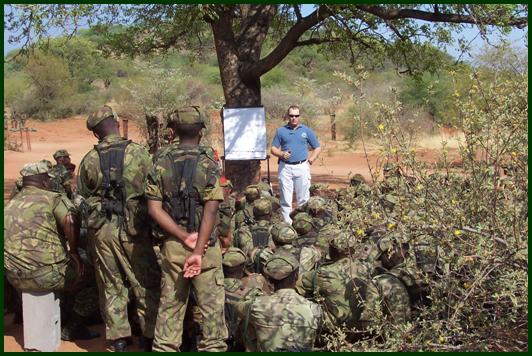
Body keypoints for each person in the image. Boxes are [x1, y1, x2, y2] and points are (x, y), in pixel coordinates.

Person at [77, 105, 161, 352]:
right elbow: (154, 189)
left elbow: (81, 196)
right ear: (115, 122)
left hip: (102, 230)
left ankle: (119, 339)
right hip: (135, 227)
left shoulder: (89, 160)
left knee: (110, 282)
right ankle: (149, 335)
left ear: (95, 133)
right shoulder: (139, 153)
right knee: (145, 281)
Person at [145, 106, 228, 352]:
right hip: (205, 248)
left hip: (173, 245)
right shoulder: (209, 161)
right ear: (201, 131)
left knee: (170, 308)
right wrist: (199, 249)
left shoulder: (159, 161)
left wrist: (182, 236)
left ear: (172, 131)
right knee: (212, 314)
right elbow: (212, 209)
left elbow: (154, 209)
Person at [4, 161, 99, 341]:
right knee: (92, 276)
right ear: (43, 181)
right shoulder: (52, 198)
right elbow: (70, 219)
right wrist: (74, 253)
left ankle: (18, 314)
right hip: (47, 276)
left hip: (14, 277)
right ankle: (73, 328)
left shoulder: (10, 204)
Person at [235, 253, 322, 351]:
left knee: (247, 324)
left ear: (269, 279)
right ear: (296, 276)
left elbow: (238, 308)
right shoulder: (314, 309)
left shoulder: (256, 306)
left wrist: (255, 293)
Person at [271, 105, 321, 224]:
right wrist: (281, 153)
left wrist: (311, 159)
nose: (294, 118)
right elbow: (273, 149)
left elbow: (317, 147)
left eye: (296, 116)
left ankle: (302, 224)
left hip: (301, 167)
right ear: (288, 116)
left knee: (303, 198)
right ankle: (287, 227)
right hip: (285, 167)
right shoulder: (281, 131)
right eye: (291, 115)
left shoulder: (306, 130)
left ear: (299, 116)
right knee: (285, 199)